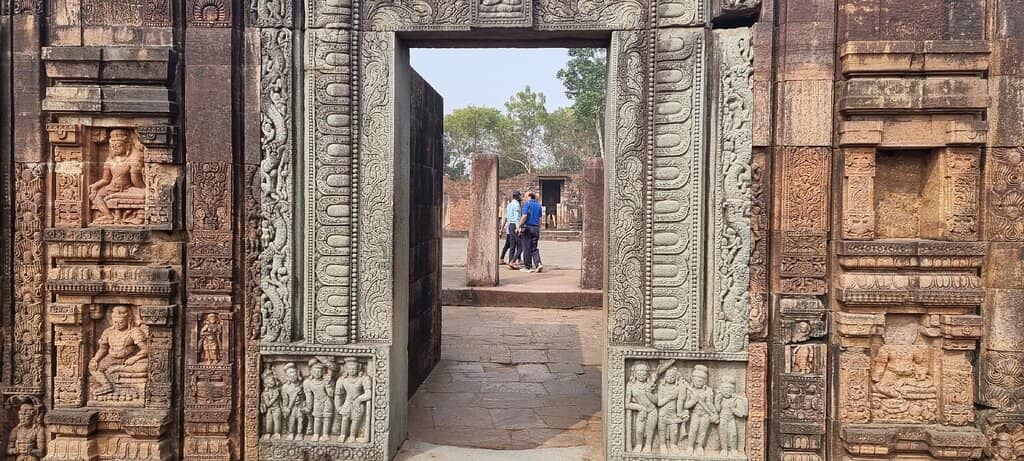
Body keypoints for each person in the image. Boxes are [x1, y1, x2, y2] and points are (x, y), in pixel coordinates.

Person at [517, 192, 544, 273]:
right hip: (535, 228)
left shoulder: (527, 204)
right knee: (534, 247)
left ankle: (527, 266)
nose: (524, 198)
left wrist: (519, 226)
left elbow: (524, 216)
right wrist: (538, 227)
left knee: (526, 247)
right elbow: (540, 219)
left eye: (525, 196)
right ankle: (538, 263)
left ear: (529, 197)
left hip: (527, 227)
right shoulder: (539, 206)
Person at [499, 191, 523, 269]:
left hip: (509, 226)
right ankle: (513, 261)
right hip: (514, 225)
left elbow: (506, 217)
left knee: (512, 245)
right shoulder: (516, 205)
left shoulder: (509, 205)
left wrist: (501, 229)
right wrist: (518, 228)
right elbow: (516, 218)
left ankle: (510, 262)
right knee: (521, 245)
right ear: (518, 196)